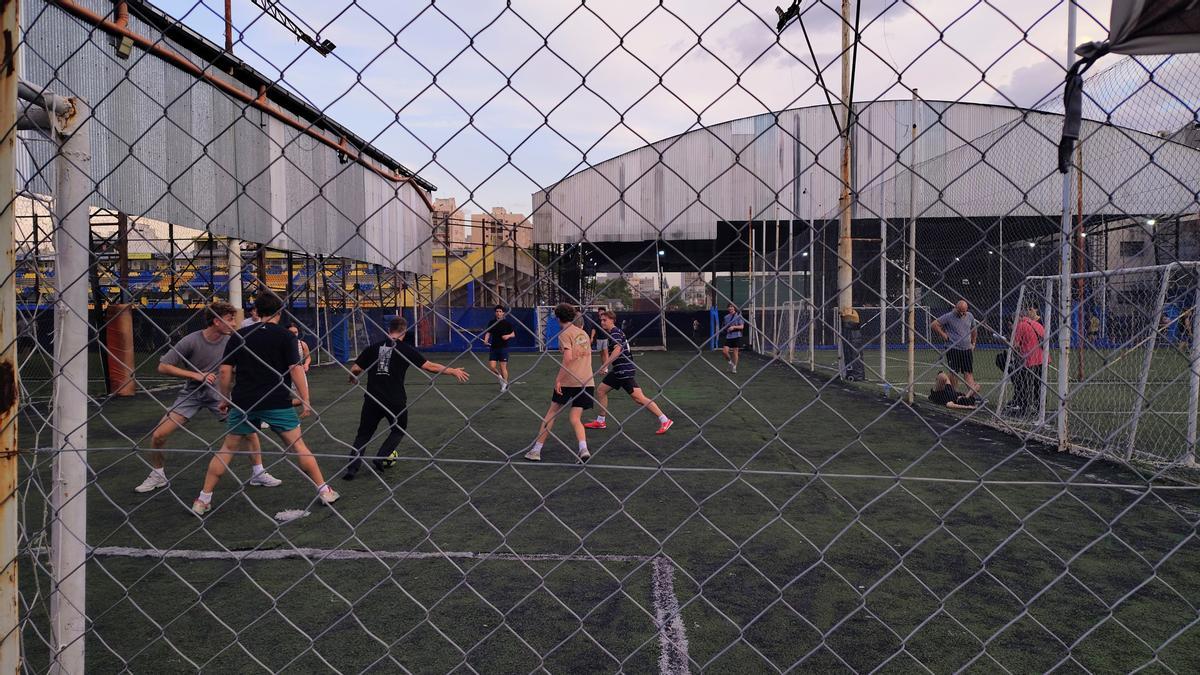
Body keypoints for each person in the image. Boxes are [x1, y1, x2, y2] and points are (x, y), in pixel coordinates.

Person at [192, 293, 337, 515]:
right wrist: (305, 399)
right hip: (277, 400)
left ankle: (203, 500)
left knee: (227, 449)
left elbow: (225, 370)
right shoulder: (285, 336)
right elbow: (295, 369)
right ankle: (324, 490)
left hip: (244, 401)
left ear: (257, 312)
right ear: (280, 312)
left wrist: (225, 398)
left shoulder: (240, 335)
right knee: (298, 446)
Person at [135, 301, 281, 493]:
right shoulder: (191, 340)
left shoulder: (234, 340)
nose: (234, 324)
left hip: (220, 396)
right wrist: (196, 375)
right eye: (230, 319)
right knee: (158, 435)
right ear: (216, 321)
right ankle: (157, 475)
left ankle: (258, 473)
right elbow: (163, 366)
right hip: (192, 395)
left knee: (249, 431)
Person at [344, 317, 470, 479]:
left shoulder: (373, 348)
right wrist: (452, 370)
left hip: (372, 398)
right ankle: (381, 456)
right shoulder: (405, 349)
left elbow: (355, 368)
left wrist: (353, 376)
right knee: (399, 428)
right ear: (404, 331)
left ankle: (352, 469)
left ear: (389, 330)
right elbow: (429, 366)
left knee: (364, 433)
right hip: (395, 399)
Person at [584, 311, 673, 434]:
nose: (602, 322)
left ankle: (665, 420)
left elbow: (618, 349)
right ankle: (600, 421)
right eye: (601, 320)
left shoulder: (615, 332)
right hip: (618, 370)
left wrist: (605, 365)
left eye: (605, 320)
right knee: (601, 390)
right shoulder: (615, 332)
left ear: (612, 320)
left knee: (639, 398)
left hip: (624, 370)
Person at [525, 303, 594, 463]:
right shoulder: (583, 333)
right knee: (575, 418)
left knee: (551, 413)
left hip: (569, 381)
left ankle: (536, 450)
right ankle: (583, 448)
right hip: (587, 381)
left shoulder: (565, 333)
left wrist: (558, 379)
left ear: (557, 318)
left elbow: (568, 358)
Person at [1005, 304, 1046, 417]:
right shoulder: (1037, 324)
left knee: (1026, 383)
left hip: (1029, 359)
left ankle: (1025, 406)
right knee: (1038, 384)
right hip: (1042, 358)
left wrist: (1007, 341)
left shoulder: (1021, 325)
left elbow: (1016, 346)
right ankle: (1039, 407)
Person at [932, 300, 978, 395]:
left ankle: (972, 394)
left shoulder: (970, 316)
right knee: (954, 372)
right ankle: (953, 393)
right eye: (960, 311)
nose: (962, 313)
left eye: (964, 311)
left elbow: (974, 330)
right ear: (956, 308)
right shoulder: (949, 316)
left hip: (966, 349)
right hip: (953, 348)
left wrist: (973, 343)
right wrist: (944, 335)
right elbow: (934, 325)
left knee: (968, 372)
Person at [482, 305, 516, 392]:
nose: (498, 313)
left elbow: (513, 334)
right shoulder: (492, 322)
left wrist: (508, 336)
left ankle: (505, 384)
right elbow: (488, 333)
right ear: (495, 313)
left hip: (503, 348)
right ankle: (500, 377)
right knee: (492, 367)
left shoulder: (507, 324)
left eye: (500, 311)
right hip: (493, 347)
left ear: (503, 313)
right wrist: (486, 340)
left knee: (502, 367)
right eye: (497, 311)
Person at [721, 303, 745, 373]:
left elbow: (742, 327)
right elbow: (725, 326)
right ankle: (730, 363)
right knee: (724, 351)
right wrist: (726, 329)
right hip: (729, 336)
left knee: (735, 352)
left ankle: (734, 368)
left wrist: (734, 327)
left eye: (732, 307)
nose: (730, 308)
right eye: (729, 307)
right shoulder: (726, 317)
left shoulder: (738, 316)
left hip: (737, 336)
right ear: (727, 308)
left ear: (734, 308)